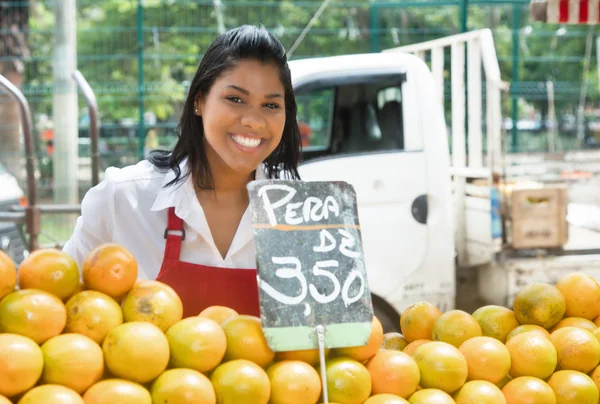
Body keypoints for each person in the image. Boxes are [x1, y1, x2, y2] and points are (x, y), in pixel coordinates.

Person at [63, 25, 302, 318]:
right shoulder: (123, 199)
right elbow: (58, 301)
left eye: (270, 104)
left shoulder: (305, 216)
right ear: (199, 101)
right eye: (235, 99)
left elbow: (329, 338)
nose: (253, 120)